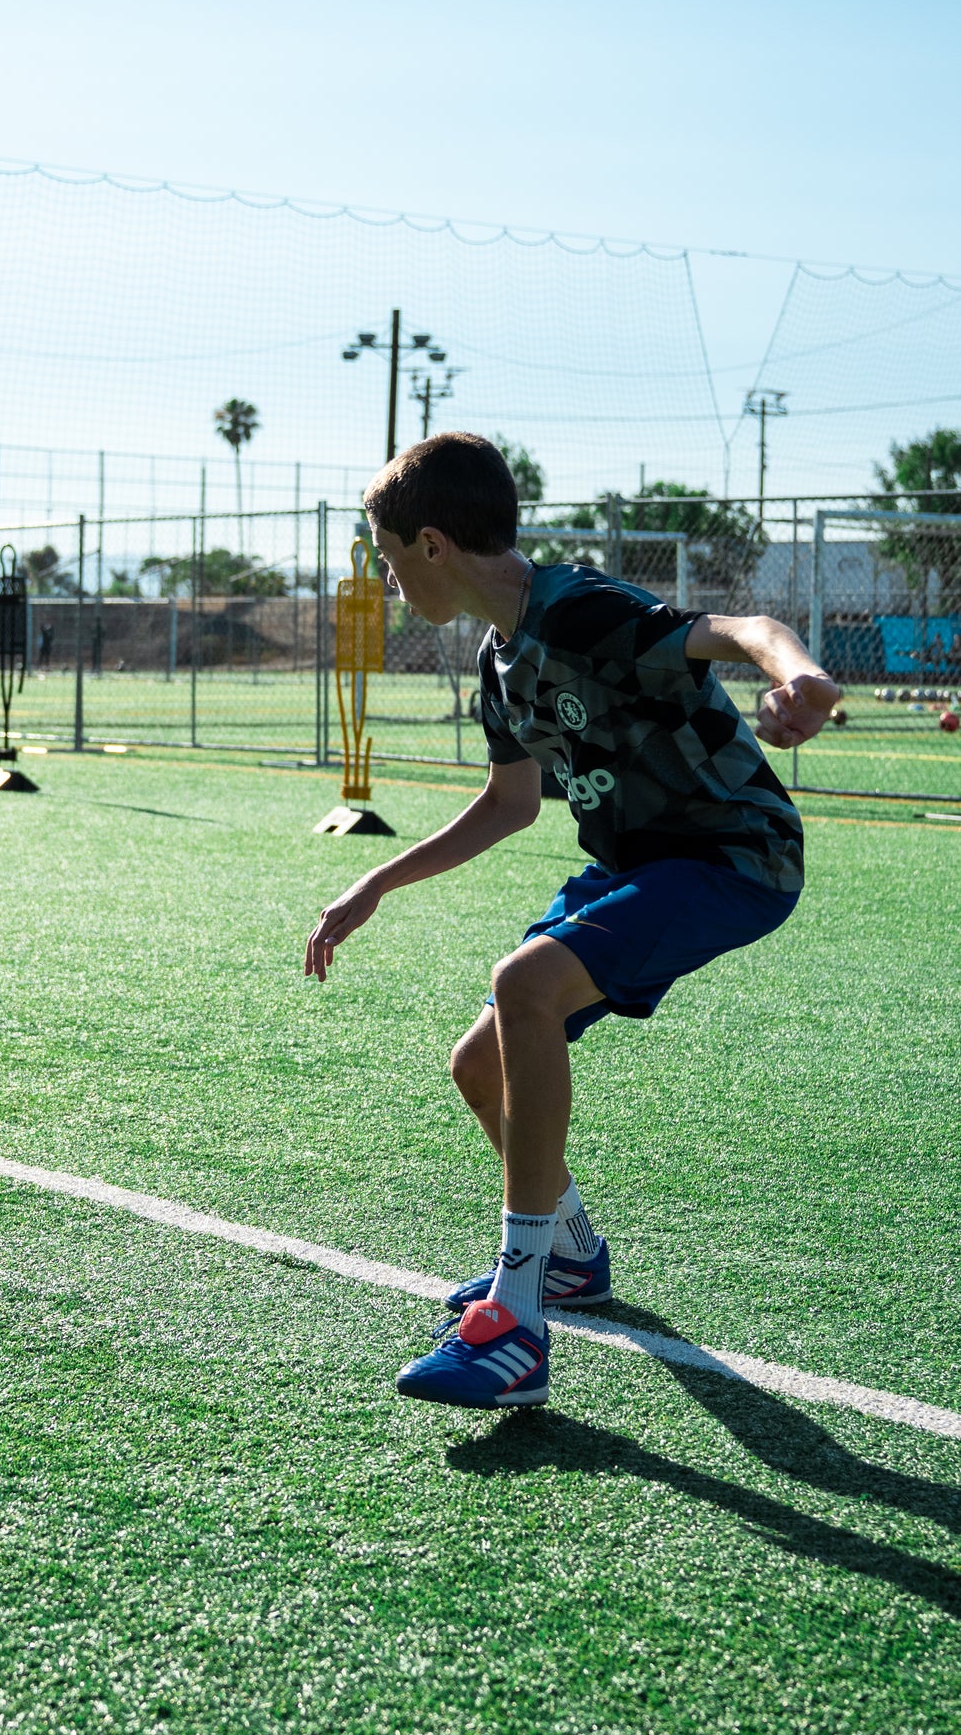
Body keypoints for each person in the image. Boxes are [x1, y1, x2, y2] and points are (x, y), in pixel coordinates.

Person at [304, 433, 838, 1413]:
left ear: (430, 543)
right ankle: (570, 1258)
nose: (386, 580)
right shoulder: (498, 662)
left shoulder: (582, 608)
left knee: (524, 985)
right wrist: (378, 880)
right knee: (478, 1064)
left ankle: (514, 1321)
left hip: (732, 855)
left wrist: (794, 676)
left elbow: (742, 624)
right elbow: (508, 805)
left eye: (385, 559)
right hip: (630, 865)